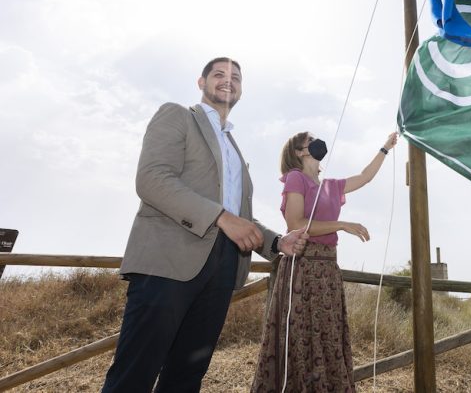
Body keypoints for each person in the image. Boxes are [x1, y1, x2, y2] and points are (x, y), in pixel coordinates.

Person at [102, 57, 308, 393]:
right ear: (201, 82)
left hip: (222, 270)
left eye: (236, 77)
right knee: (134, 375)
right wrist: (221, 217)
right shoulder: (178, 115)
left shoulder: (235, 149)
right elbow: (152, 179)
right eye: (219, 74)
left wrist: (276, 242)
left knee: (185, 378)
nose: (228, 80)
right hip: (167, 263)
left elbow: (239, 216)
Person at [251, 131, 398, 393]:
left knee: (327, 336)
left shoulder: (329, 185)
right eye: (310, 140)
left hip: (328, 270)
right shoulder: (296, 179)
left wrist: (385, 148)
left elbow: (365, 177)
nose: (317, 142)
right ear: (299, 152)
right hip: (303, 270)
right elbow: (295, 223)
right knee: (302, 337)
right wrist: (341, 224)